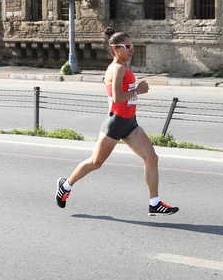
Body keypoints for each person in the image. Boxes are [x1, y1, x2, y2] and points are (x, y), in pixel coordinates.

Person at [55, 27, 179, 216]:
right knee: (96, 163)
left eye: (133, 46)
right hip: (116, 123)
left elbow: (124, 93)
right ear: (115, 48)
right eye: (128, 46)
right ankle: (66, 186)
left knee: (151, 158)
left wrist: (135, 88)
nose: (132, 50)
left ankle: (154, 203)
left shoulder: (124, 67)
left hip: (130, 123)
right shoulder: (117, 68)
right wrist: (139, 91)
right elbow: (117, 98)